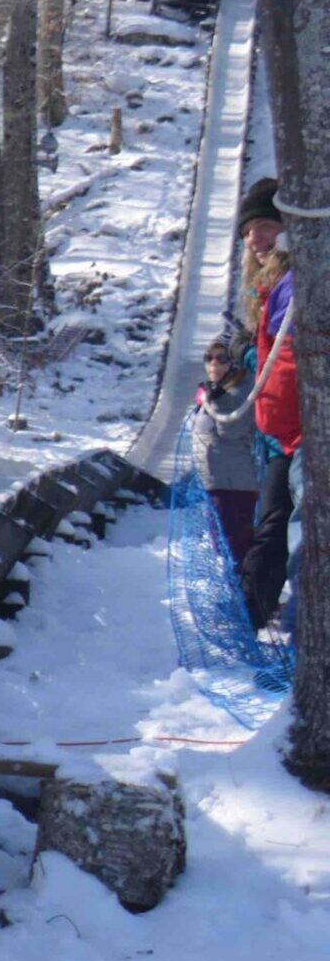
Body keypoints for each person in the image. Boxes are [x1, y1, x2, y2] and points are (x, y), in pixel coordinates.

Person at [233, 179, 299, 629]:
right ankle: (257, 611)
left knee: (277, 526)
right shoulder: (263, 289)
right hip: (276, 432)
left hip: (293, 430)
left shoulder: (292, 282)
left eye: (263, 226)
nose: (255, 238)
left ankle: (252, 614)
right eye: (248, 230)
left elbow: (287, 357)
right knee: (271, 522)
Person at [192, 342, 260, 566]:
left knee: (236, 546)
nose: (214, 363)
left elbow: (231, 429)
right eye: (209, 357)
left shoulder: (241, 390)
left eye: (221, 358)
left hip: (235, 485)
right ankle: (237, 595)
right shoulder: (217, 392)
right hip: (216, 482)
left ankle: (250, 598)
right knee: (222, 546)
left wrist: (213, 399)